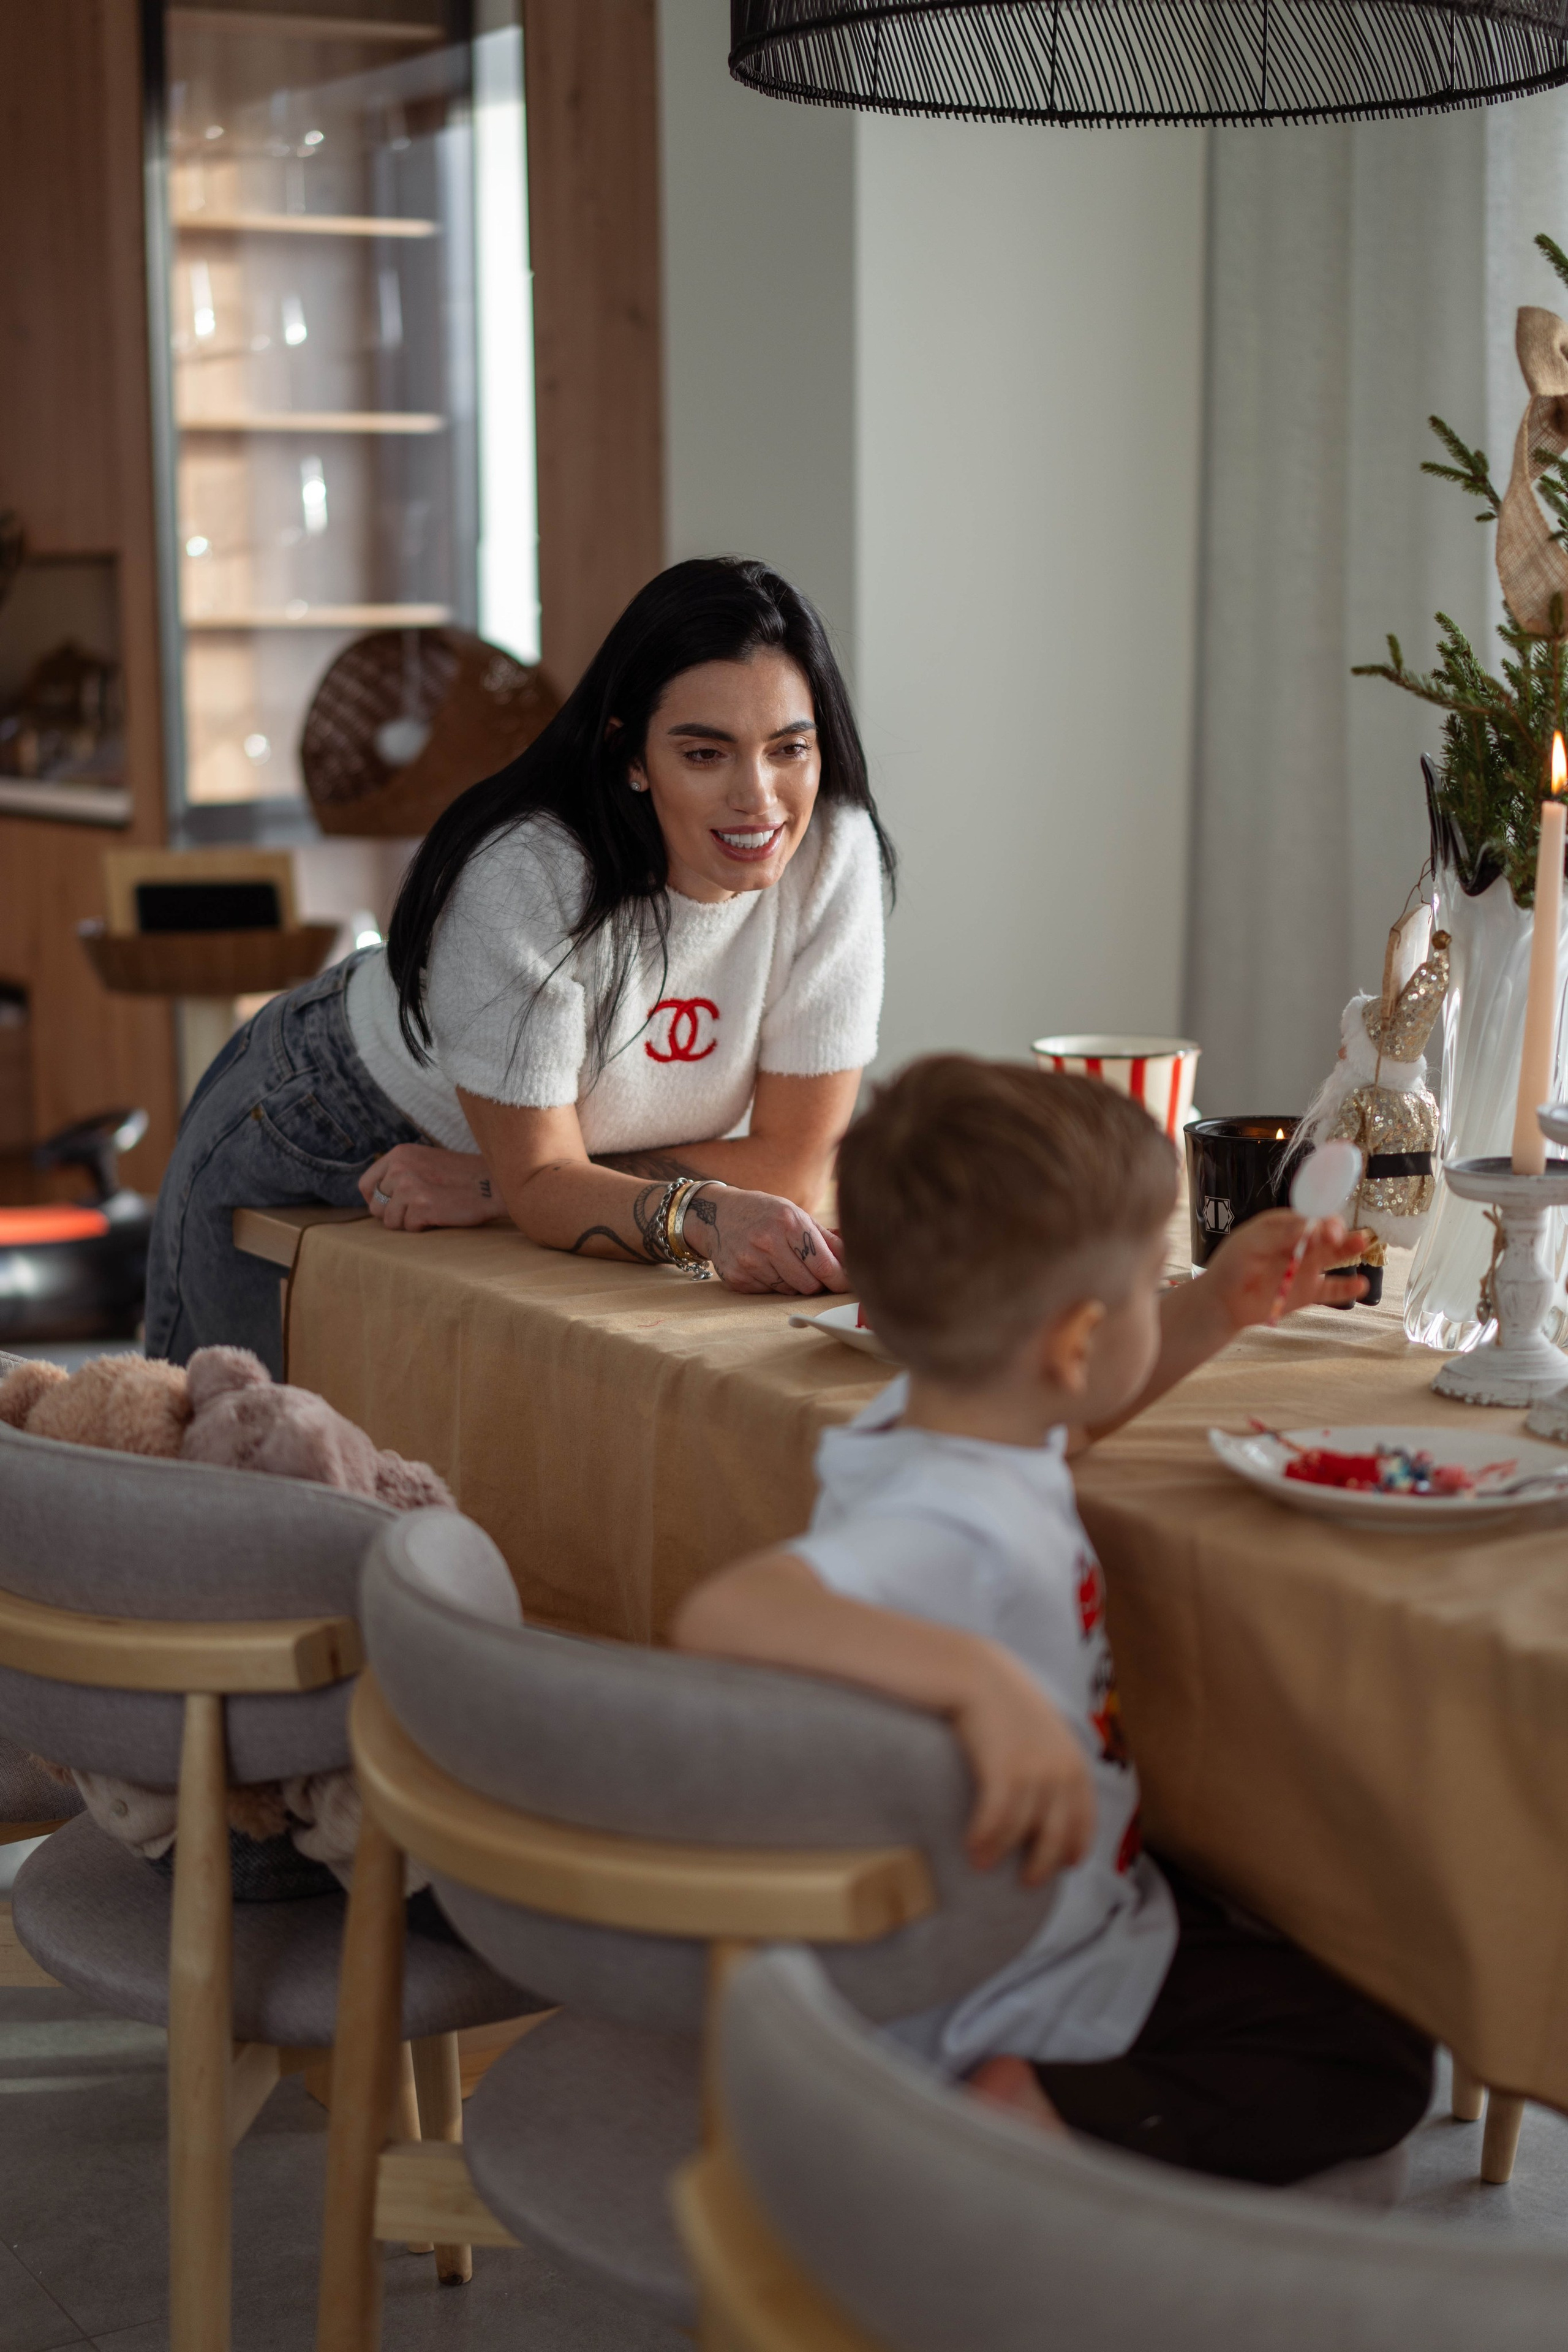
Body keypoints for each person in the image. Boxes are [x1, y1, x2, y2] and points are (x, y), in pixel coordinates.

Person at [673, 1058, 1434, 2187]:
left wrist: (1214, 1302)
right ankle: (1028, 2115)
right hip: (1014, 1977)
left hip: (1064, 1907)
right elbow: (726, 1613)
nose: (1156, 1299)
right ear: (1074, 1341)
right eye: (1146, 1283)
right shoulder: (950, 1520)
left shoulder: (949, 1427)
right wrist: (978, 1682)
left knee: (1311, 1930)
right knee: (1376, 2065)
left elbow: (1065, 1422)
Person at [145, 559, 891, 1375]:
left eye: (790, 748)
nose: (761, 798)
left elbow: (793, 1162)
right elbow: (543, 1178)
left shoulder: (833, 851)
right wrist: (629, 1200)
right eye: (707, 754)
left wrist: (490, 1185)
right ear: (631, 755)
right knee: (220, 1438)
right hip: (324, 1128)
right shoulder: (526, 873)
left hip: (522, 1170)